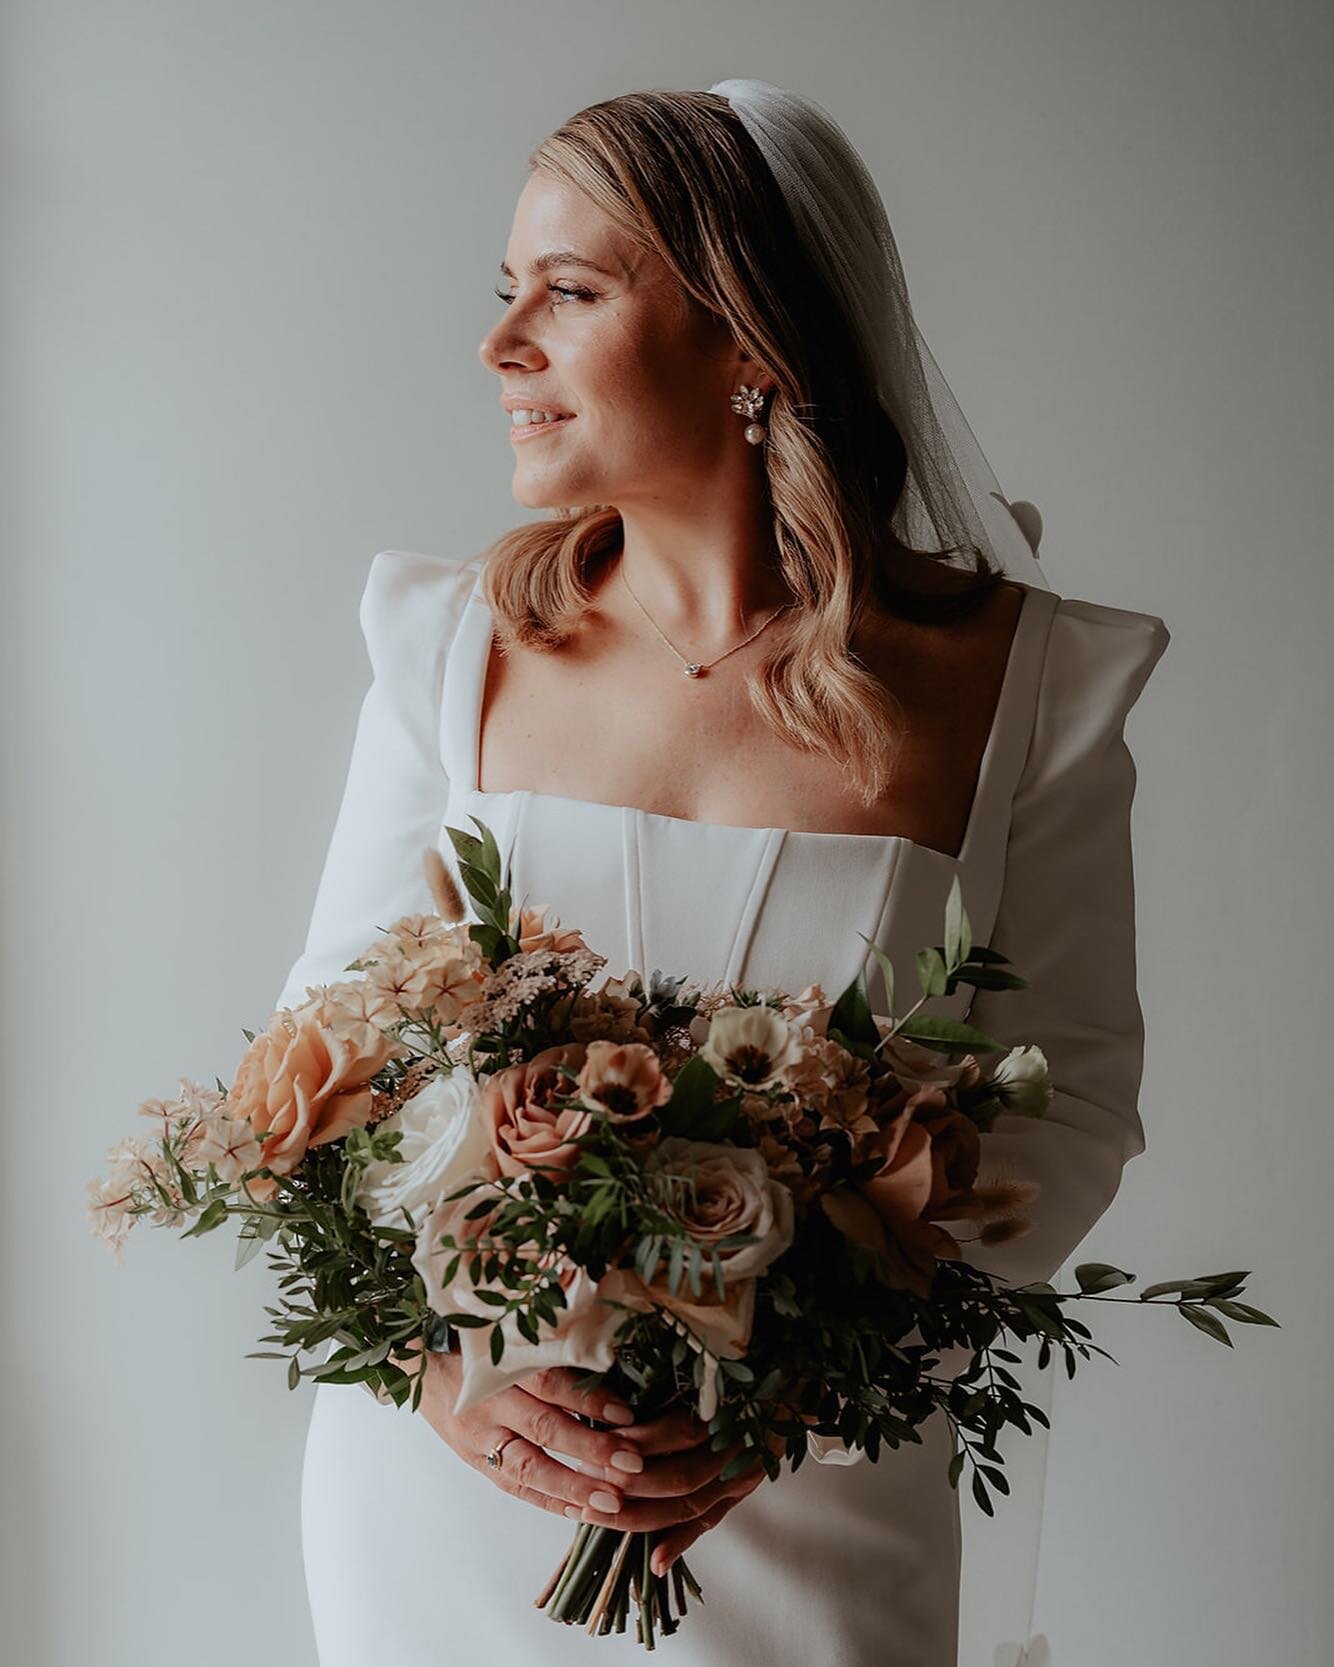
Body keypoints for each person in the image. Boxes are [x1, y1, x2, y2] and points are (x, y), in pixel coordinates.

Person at [276, 80, 1170, 1667]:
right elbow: (322, 1057)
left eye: (569, 291)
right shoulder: (447, 654)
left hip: (805, 1494)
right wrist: (444, 1378)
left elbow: (1074, 1100)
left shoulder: (1018, 685)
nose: (502, 347)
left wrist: (793, 1399)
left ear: (748, 337)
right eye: (508, 294)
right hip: (459, 1499)